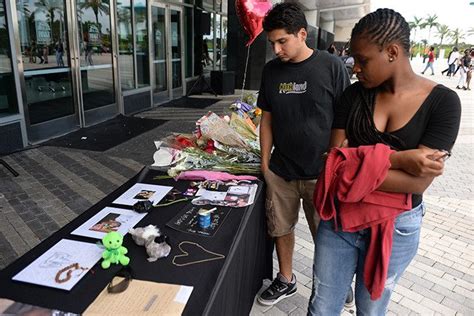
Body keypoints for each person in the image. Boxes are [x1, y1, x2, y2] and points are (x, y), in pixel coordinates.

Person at [307, 8, 461, 315]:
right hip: (340, 219)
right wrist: (401, 158)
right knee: (322, 306)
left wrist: (353, 162)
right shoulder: (353, 96)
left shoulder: (443, 103)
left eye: (362, 60)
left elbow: (417, 182)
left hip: (397, 225)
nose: (355, 68)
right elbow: (331, 169)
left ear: (392, 52)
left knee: (371, 309)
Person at [256, 3, 350, 306]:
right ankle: (286, 279)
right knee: (280, 228)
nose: (276, 48)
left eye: (282, 41)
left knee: (326, 235)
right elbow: (266, 117)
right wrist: (265, 161)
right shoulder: (271, 71)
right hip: (282, 170)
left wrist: (334, 164)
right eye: (272, 43)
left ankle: (333, 282)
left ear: (301, 33)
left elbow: (343, 119)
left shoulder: (331, 66)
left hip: (320, 174)